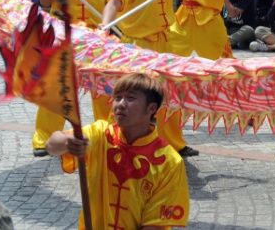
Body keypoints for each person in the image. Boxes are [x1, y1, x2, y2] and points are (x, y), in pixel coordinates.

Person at [100, 0, 225, 156]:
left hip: (165, 42)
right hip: (139, 44)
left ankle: (173, 142)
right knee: (131, 95)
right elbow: (114, 0)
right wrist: (105, 24)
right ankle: (116, 141)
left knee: (169, 92)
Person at [46, 72, 189, 229]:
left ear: (151, 108)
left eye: (130, 98)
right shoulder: (100, 134)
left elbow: (156, 224)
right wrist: (67, 142)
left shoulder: (170, 162)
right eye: (118, 97)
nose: (120, 104)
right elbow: (52, 145)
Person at [32, 0, 116, 156]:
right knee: (58, 86)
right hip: (64, 33)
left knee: (102, 86)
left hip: (94, 36)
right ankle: (45, 138)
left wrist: (108, 23)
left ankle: (108, 134)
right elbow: (46, 2)